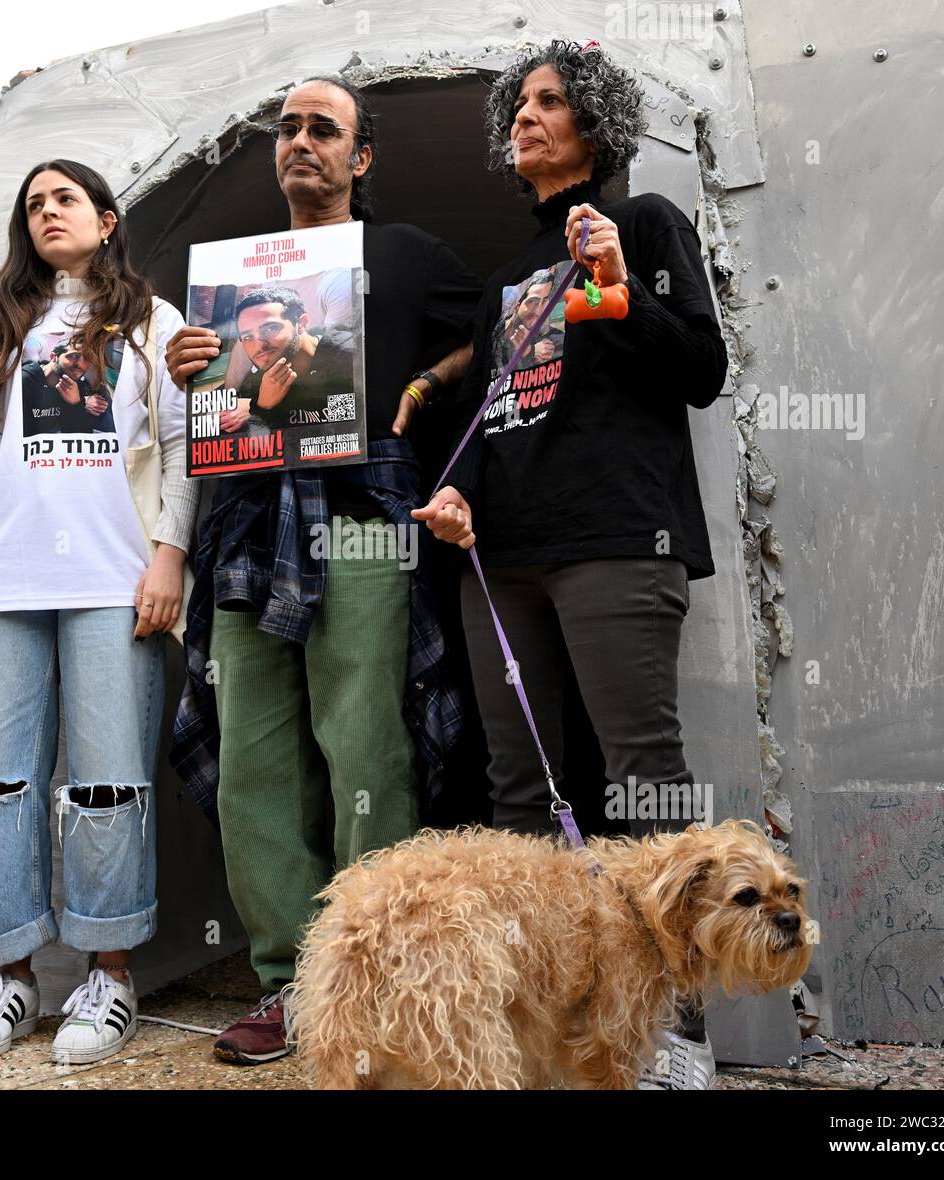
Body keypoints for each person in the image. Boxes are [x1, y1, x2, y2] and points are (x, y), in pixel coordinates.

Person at [413, 40, 728, 1089]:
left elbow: (701, 369)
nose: (528, 118)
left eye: (552, 102)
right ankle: (549, 1016)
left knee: (642, 784)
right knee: (520, 793)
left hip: (614, 539)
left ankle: (673, 1027)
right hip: (500, 558)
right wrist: (460, 494)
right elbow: (494, 417)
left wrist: (617, 287)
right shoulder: (505, 271)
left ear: (594, 124)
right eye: (521, 105)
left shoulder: (641, 224)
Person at [166, 75, 483, 1065]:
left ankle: (374, 982)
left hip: (359, 517)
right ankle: (286, 984)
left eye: (323, 128)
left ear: (362, 156)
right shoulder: (229, 282)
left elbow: (505, 326)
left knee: (362, 749)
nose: (299, 141)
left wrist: (425, 385)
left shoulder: (403, 254)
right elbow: (221, 401)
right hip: (248, 519)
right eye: (287, 128)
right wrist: (191, 363)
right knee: (253, 763)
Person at [0, 159, 198, 1065]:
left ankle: (108, 975)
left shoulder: (154, 322)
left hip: (115, 580)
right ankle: (7, 981)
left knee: (108, 783)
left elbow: (189, 447)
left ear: (108, 221)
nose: (47, 212)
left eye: (65, 198)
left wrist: (169, 558)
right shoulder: (3, 327)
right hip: (1, 582)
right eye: (32, 203)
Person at [232, 286, 356, 427]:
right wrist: (262, 405)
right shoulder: (259, 376)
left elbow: (345, 428)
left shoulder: (347, 357)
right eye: (248, 337)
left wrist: (260, 408)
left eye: (270, 328)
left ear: (302, 324)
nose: (259, 345)